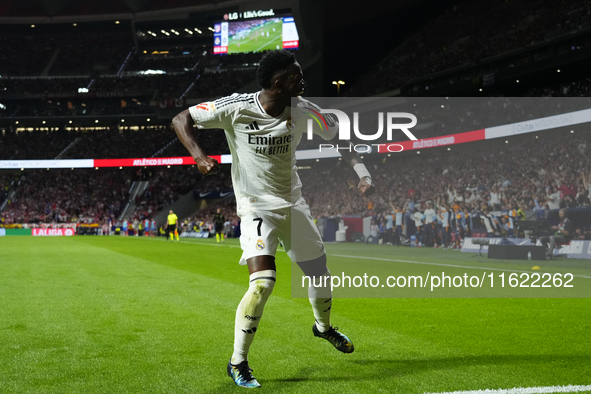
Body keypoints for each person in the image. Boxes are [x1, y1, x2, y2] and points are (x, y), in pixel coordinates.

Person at [172, 50, 375, 388]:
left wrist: (362, 173)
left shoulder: (304, 109)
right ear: (279, 83)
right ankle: (237, 361)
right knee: (263, 283)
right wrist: (199, 156)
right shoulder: (237, 107)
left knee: (319, 275)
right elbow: (182, 119)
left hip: (293, 204)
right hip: (255, 207)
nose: (303, 79)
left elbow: (339, 136)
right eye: (296, 75)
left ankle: (323, 328)